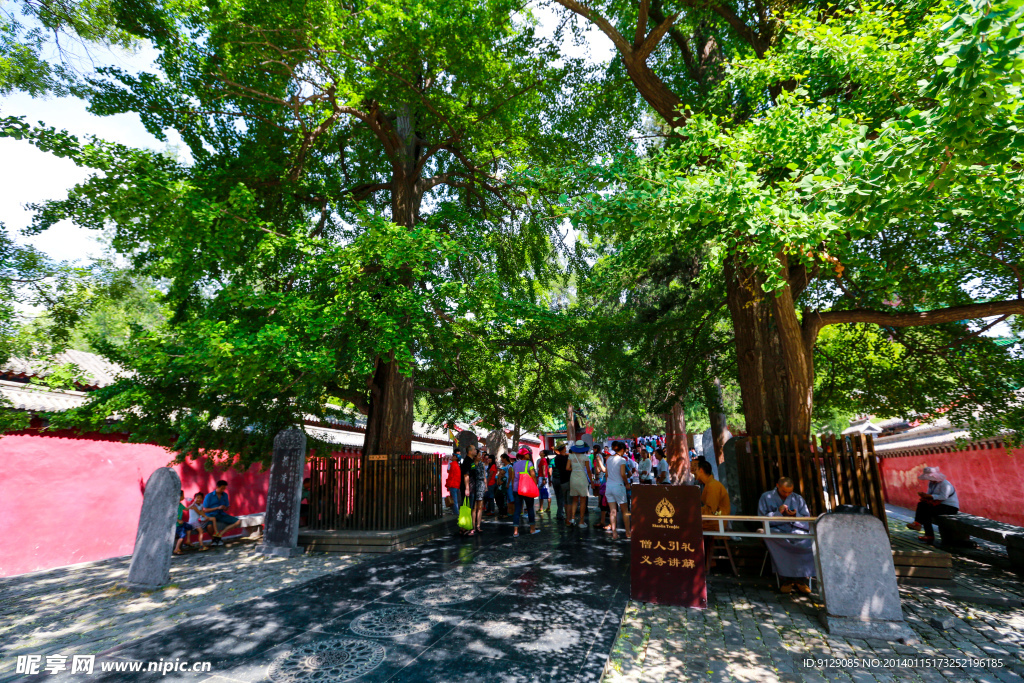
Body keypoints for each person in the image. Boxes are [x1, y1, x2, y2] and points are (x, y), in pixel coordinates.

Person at [758, 477, 815, 594]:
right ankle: (785, 579)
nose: (787, 494)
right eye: (784, 491)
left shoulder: (797, 498)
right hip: (777, 529)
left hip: (796, 529)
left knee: (809, 541)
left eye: (790, 492)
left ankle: (801, 579)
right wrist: (777, 513)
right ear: (777, 486)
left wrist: (795, 516)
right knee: (775, 539)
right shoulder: (766, 497)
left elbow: (807, 519)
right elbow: (762, 519)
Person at [907, 466, 959, 543]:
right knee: (921, 504)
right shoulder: (931, 484)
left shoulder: (945, 484)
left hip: (950, 507)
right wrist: (925, 497)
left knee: (926, 512)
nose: (930, 480)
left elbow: (943, 496)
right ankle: (917, 523)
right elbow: (930, 493)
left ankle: (929, 534)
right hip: (938, 505)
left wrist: (930, 496)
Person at [696, 460, 730, 569]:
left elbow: (710, 510)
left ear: (701, 470)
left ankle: (698, 561)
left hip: (716, 522)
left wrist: (693, 511)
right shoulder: (709, 484)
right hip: (714, 520)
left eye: (695, 470)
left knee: (689, 527)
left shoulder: (712, 485)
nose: (693, 472)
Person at [604, 442, 632, 540]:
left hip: (609, 486)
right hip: (618, 486)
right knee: (625, 511)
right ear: (623, 450)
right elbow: (623, 474)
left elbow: (606, 474)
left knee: (612, 511)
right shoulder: (622, 460)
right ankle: (628, 532)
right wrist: (627, 483)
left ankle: (614, 533)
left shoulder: (609, 459)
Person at [511, 447, 540, 537]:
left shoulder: (515, 464)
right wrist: (535, 486)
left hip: (516, 489)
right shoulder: (529, 463)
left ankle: (515, 531)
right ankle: (532, 529)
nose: (529, 455)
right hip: (527, 489)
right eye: (527, 454)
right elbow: (533, 476)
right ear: (524, 455)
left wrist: (513, 488)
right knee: (530, 508)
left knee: (517, 510)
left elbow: (512, 478)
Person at [203, 480, 241, 545]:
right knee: (209, 526)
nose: (223, 490)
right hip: (210, 515)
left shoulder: (225, 495)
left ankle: (220, 535)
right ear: (217, 487)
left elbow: (227, 507)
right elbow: (205, 510)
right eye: (222, 488)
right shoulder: (209, 496)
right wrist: (217, 508)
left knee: (238, 521)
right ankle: (214, 539)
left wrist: (225, 508)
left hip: (221, 514)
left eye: (224, 488)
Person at [566, 440, 592, 528]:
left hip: (573, 478)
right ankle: (581, 521)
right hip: (582, 478)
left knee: (574, 500)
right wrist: (591, 481)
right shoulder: (585, 457)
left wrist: (574, 469)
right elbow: (588, 471)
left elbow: (567, 468)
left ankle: (572, 519)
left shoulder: (571, 456)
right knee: (583, 501)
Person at [466, 445, 488, 535]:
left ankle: (478, 525)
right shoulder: (472, 464)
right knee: (474, 507)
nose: (480, 457)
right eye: (479, 455)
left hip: (481, 485)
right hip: (475, 485)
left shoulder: (482, 465)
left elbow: (484, 475)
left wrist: (485, 485)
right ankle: (473, 526)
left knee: (480, 507)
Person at [553, 444, 570, 521]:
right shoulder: (567, 458)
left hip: (555, 479)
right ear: (564, 449)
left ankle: (560, 513)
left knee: (559, 497)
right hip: (565, 480)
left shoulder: (556, 458)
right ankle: (565, 516)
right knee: (566, 499)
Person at [174, 490, 192, 555]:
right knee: (182, 535)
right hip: (176, 524)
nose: (184, 497)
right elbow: (171, 515)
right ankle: (176, 549)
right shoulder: (173, 505)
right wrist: (178, 520)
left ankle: (188, 541)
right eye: (183, 495)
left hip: (181, 523)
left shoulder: (180, 504)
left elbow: (186, 509)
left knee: (189, 526)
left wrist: (193, 503)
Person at [445, 451, 462, 518]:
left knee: (454, 500)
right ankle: (456, 512)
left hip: (453, 484)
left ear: (456, 458)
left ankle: (456, 513)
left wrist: (448, 485)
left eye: (454, 456)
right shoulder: (457, 465)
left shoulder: (453, 465)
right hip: (456, 484)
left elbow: (451, 476)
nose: (452, 456)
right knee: (456, 499)